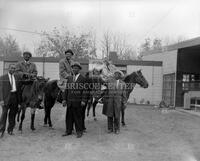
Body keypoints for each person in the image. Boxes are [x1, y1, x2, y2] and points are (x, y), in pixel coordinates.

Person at [62, 62, 87, 138]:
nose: (74, 69)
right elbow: (66, 89)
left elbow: (85, 90)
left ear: (79, 69)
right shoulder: (69, 78)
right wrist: (64, 99)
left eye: (76, 68)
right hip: (69, 101)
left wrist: (83, 100)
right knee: (68, 117)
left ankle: (79, 132)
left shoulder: (83, 78)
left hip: (78, 102)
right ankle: (68, 131)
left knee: (78, 117)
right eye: (73, 68)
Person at [0, 64, 23, 136]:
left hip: (14, 97)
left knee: (12, 115)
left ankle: (10, 130)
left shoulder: (17, 77)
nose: (13, 69)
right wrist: (1, 100)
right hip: (6, 98)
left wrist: (19, 102)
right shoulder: (2, 77)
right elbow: (0, 90)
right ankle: (1, 130)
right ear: (8, 69)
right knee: (4, 114)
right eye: (11, 68)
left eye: (14, 68)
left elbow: (19, 90)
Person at [102, 70, 127, 134]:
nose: (115, 75)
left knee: (117, 116)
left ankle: (117, 129)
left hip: (118, 101)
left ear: (120, 75)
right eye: (115, 74)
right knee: (109, 115)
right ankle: (110, 129)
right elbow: (103, 81)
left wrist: (124, 103)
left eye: (117, 74)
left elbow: (124, 94)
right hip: (110, 101)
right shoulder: (109, 81)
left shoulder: (123, 84)